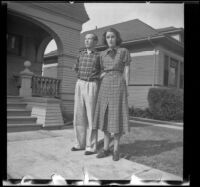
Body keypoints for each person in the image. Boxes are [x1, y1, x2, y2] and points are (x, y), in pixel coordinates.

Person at [93, 28, 131, 161]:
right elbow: (97, 70)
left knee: (117, 117)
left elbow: (126, 70)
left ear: (117, 38)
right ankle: (105, 149)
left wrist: (126, 87)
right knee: (105, 116)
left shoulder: (124, 51)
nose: (110, 39)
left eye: (112, 36)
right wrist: (102, 75)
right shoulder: (102, 54)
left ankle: (115, 150)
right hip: (105, 86)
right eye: (108, 37)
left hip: (119, 84)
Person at [72, 33, 100, 155]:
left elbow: (103, 71)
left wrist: (96, 78)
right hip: (79, 84)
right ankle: (80, 144)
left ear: (95, 41)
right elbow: (76, 68)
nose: (87, 41)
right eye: (86, 39)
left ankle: (91, 146)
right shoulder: (80, 54)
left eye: (90, 39)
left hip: (91, 85)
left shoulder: (99, 56)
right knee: (79, 115)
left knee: (91, 116)